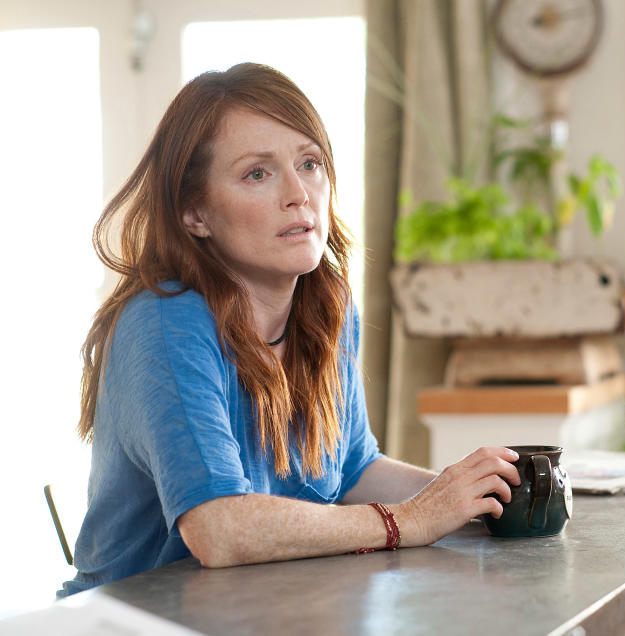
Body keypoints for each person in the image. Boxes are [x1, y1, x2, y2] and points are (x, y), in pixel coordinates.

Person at [60, 62, 520, 596]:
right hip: (132, 624)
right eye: (258, 173)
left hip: (263, 609)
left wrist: (482, 499)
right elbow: (219, 529)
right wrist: (411, 520)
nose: (298, 192)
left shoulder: (325, 303)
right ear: (195, 214)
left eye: (310, 163)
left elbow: (353, 470)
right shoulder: (165, 324)